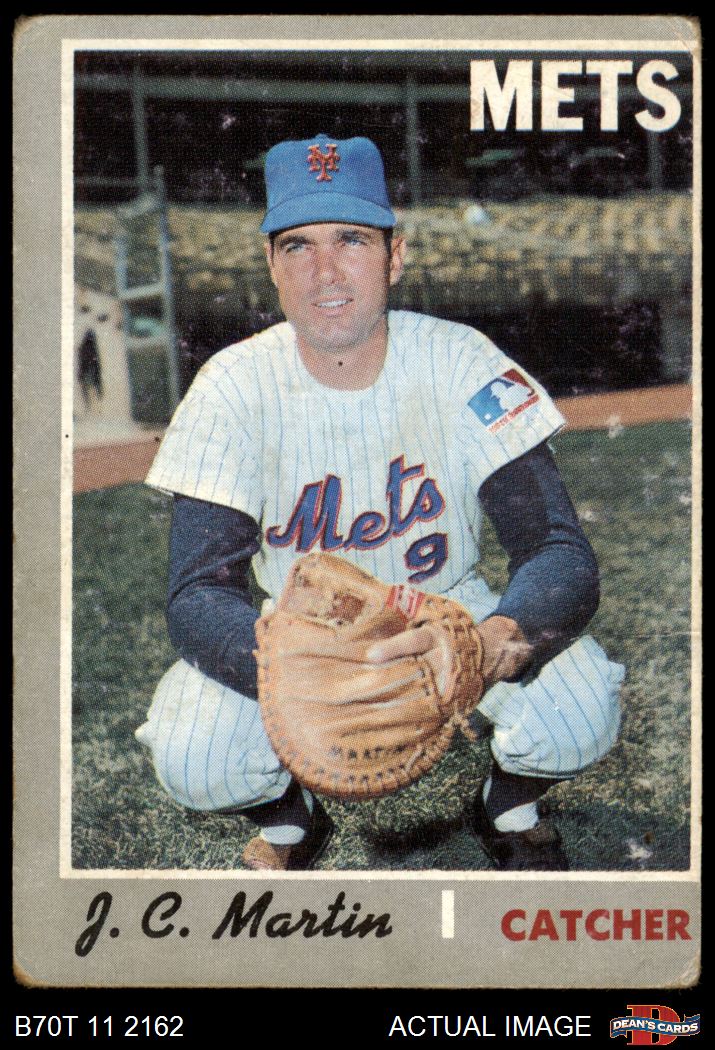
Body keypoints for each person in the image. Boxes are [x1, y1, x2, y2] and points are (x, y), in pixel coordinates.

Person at [136, 133, 624, 872]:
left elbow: (558, 550)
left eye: (352, 239)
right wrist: (291, 662)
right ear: (271, 264)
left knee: (584, 709)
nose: (325, 269)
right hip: (301, 628)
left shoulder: (462, 360)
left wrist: (486, 644)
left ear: (395, 255)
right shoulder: (229, 386)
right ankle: (291, 824)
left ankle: (507, 805)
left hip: (449, 607)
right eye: (298, 245)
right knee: (192, 753)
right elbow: (196, 591)